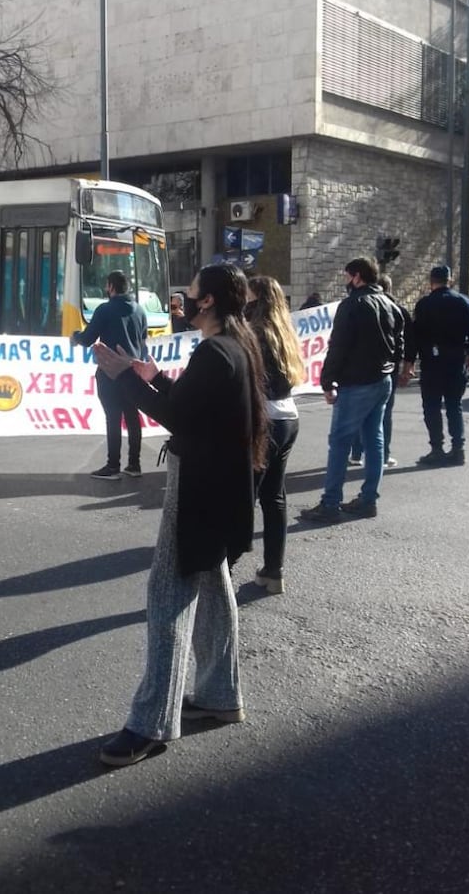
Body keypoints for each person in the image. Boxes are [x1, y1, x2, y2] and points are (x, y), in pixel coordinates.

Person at [93, 263, 267, 767]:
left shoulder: (215, 350)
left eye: (190, 293)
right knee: (212, 585)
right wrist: (155, 376)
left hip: (198, 485)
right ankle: (220, 694)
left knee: (167, 594)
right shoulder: (236, 344)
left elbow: (179, 416)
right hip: (220, 485)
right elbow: (196, 403)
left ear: (208, 301)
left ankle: (151, 722)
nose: (183, 300)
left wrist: (123, 379)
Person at [301, 257, 404, 523]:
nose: (346, 281)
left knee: (339, 443)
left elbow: (338, 346)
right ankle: (368, 499)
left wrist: (327, 382)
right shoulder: (390, 304)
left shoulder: (353, 304)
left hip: (357, 382)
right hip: (382, 379)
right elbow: (399, 342)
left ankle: (330, 503)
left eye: (347, 276)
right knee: (374, 440)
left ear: (357, 276)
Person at [244, 275, 303, 595]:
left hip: (264, 420)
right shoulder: (285, 328)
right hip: (288, 418)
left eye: (249, 296)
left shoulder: (255, 330)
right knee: (273, 497)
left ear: (257, 298)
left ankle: (221, 569)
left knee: (244, 497)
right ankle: (273, 570)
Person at [400, 265, 469, 467]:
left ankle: (437, 448)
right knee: (454, 405)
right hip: (455, 360)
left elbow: (414, 336)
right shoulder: (464, 302)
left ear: (431, 281)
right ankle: (458, 449)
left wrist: (409, 363)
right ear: (449, 280)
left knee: (432, 406)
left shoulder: (424, 305)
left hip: (431, 362)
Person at [71, 270, 148, 479]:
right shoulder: (140, 311)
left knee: (113, 417)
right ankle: (135, 465)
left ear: (111, 287)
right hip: (134, 371)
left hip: (110, 372)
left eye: (107, 286)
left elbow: (87, 339)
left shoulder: (104, 310)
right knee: (132, 417)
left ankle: (113, 466)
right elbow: (143, 343)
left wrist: (75, 337)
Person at [346, 273, 413, 469]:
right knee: (383, 414)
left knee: (360, 413)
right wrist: (407, 367)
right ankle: (383, 455)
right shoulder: (397, 310)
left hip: (361, 368)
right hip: (387, 369)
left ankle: (357, 453)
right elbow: (407, 343)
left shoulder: (358, 306)